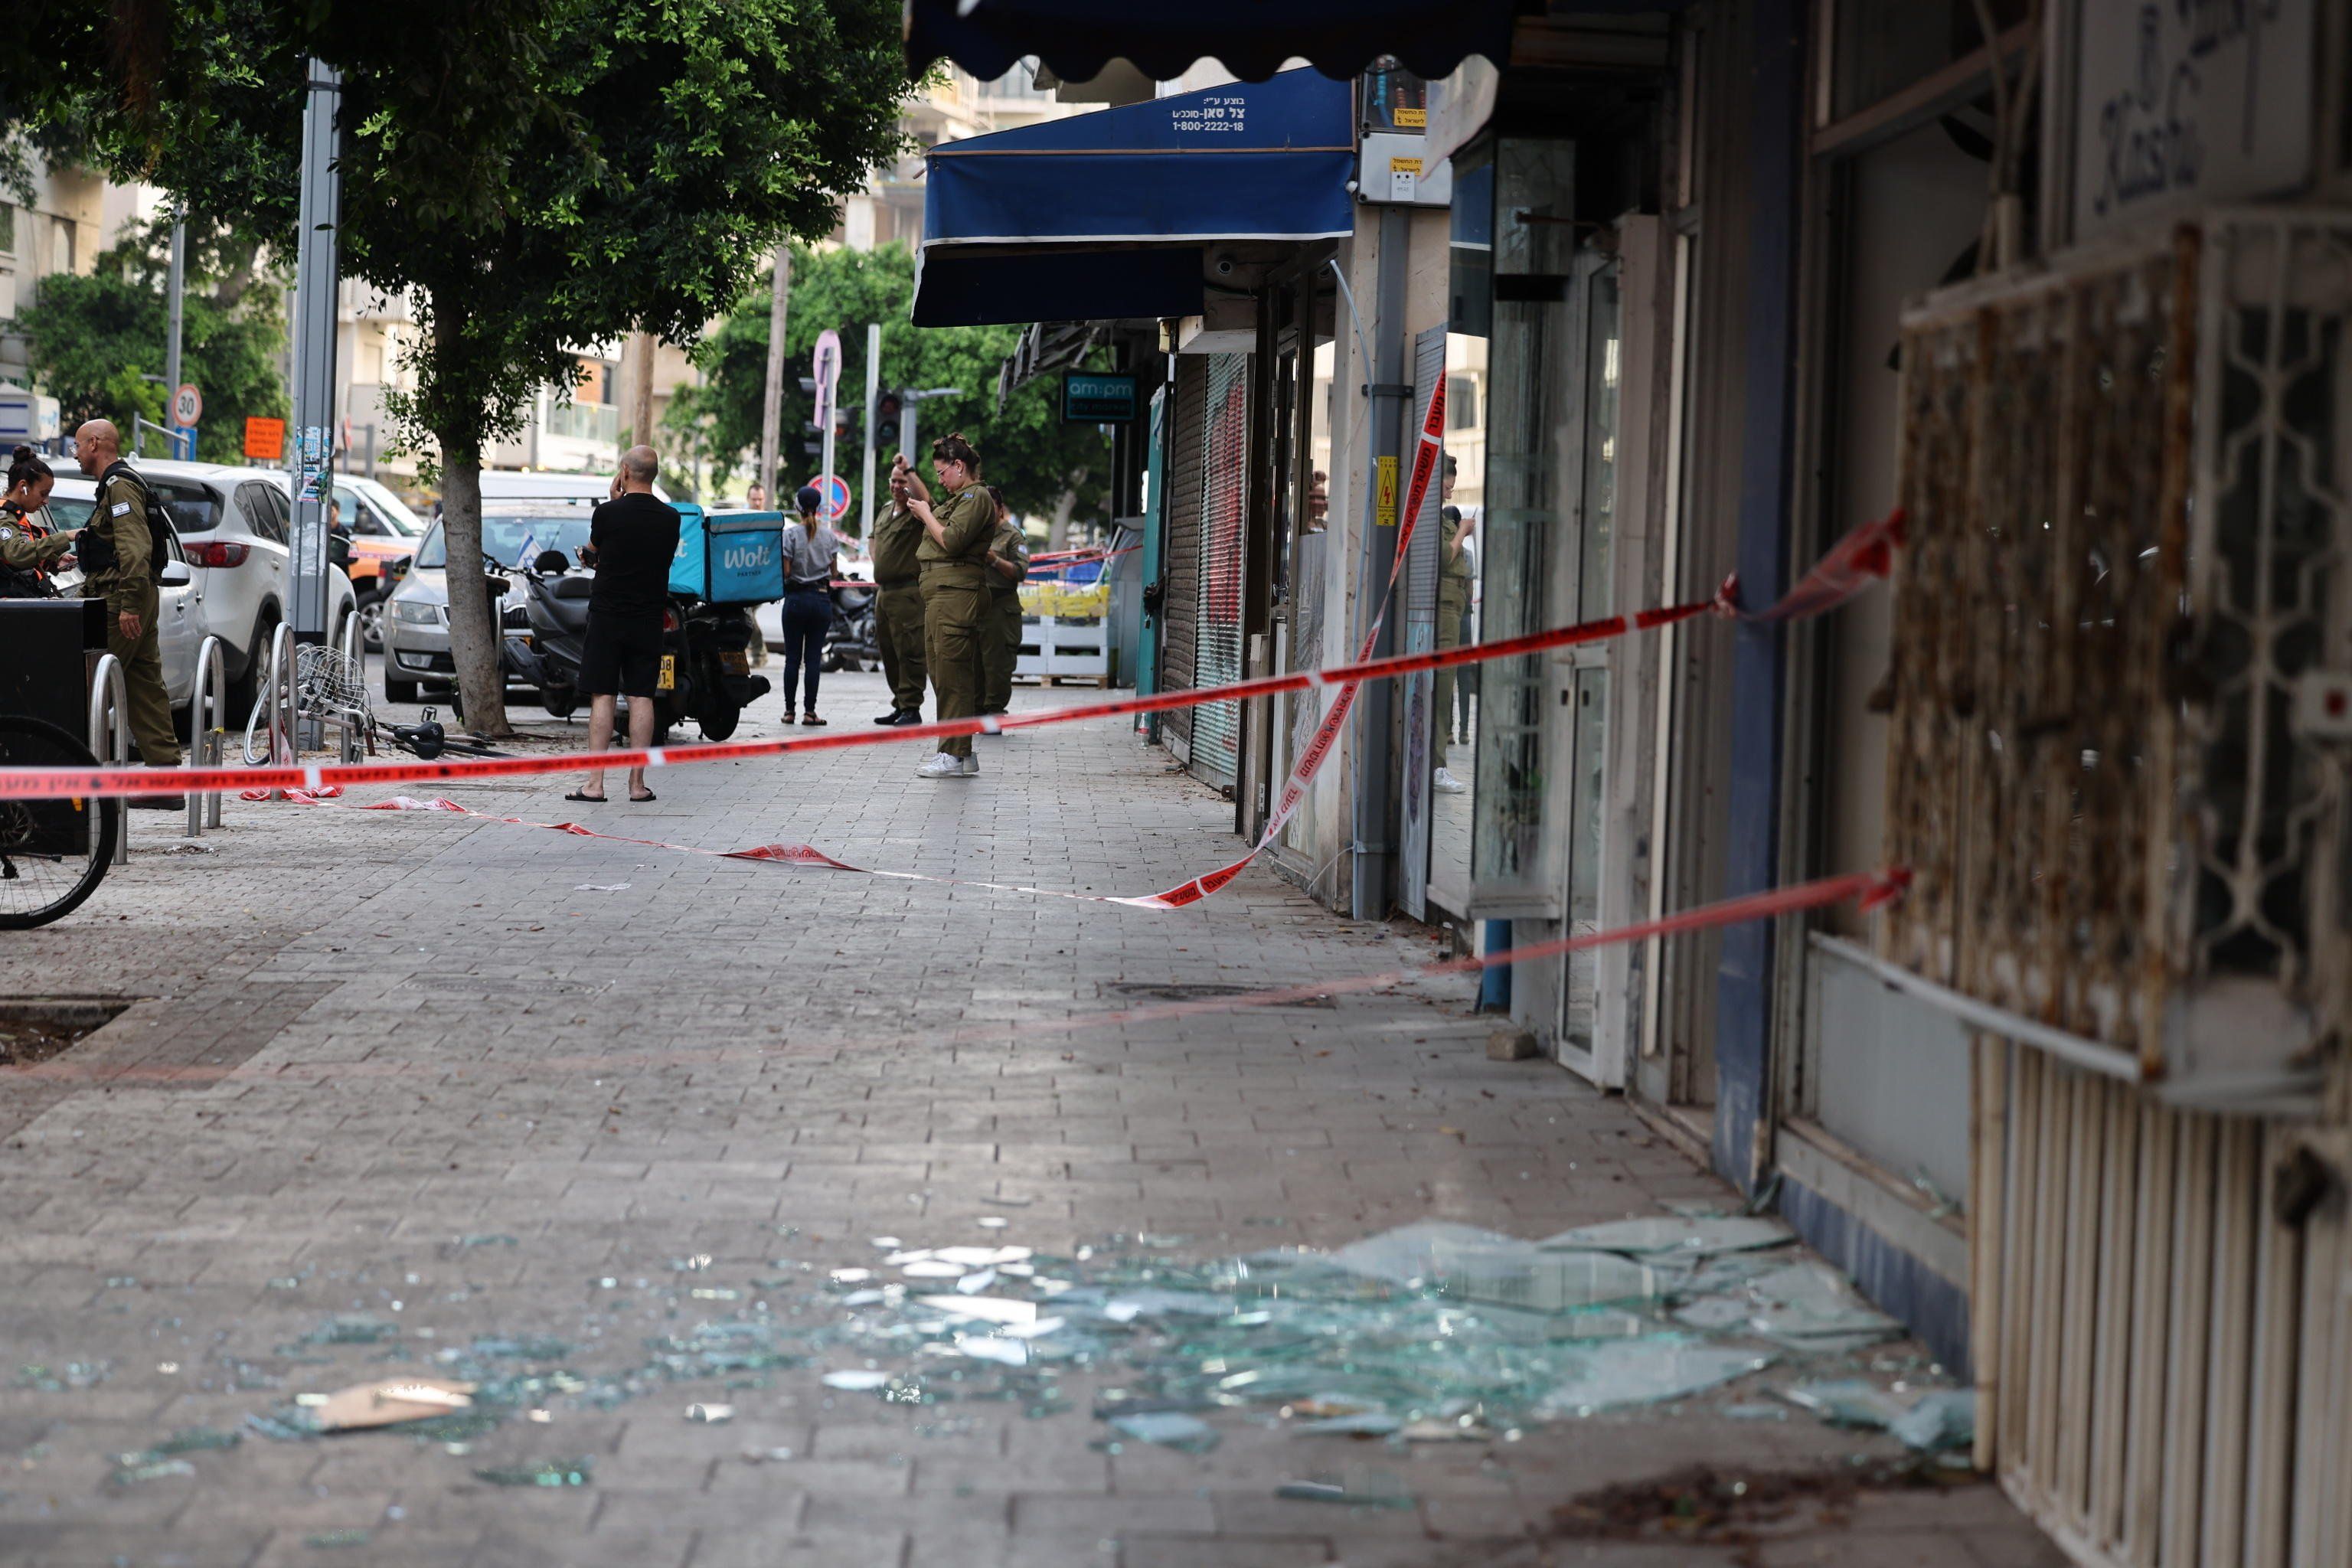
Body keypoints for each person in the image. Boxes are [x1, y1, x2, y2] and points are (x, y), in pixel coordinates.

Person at [71, 420, 183, 808]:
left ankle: (73, 789)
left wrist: (130, 604)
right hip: (132, 596)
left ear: (96, 443)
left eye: (78, 444)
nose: (75, 451)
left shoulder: (120, 486)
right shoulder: (122, 483)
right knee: (144, 686)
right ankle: (166, 784)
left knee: (88, 688)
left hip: (121, 601)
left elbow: (136, 550)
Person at [567, 445, 681, 804]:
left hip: (607, 615)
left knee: (603, 694)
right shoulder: (671, 518)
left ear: (624, 472)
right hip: (648, 617)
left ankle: (595, 784)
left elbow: (593, 553)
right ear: (655, 474)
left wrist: (613, 501)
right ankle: (637, 785)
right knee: (642, 696)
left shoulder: (607, 514)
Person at [905, 432, 995, 779]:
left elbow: (952, 540)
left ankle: (953, 754)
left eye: (943, 473)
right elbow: (937, 518)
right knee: (943, 674)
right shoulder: (962, 497)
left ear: (959, 466)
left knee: (953, 676)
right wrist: (923, 508)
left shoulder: (977, 497)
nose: (940, 480)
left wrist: (927, 514)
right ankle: (962, 752)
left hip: (955, 596)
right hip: (942, 595)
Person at [867, 457, 929, 725]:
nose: (896, 485)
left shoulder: (917, 511)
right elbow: (873, 539)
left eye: (901, 481)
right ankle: (900, 703)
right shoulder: (885, 510)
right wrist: (879, 561)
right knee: (888, 651)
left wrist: (909, 470)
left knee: (909, 651)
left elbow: (926, 497)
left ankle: (912, 707)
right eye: (893, 480)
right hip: (884, 592)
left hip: (907, 593)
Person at [1433, 456, 1478, 795]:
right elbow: (1442, 559)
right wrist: (1462, 532)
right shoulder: (1433, 519)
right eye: (1448, 482)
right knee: (1443, 688)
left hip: (1454, 610)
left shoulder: (1438, 516)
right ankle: (1436, 766)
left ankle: (1437, 764)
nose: (1451, 487)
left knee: (1446, 689)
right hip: (1443, 611)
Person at [778, 484, 841, 727]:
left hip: (795, 601)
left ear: (798, 507)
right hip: (821, 600)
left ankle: (789, 712)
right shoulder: (830, 536)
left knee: (792, 659)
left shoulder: (790, 535)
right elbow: (834, 572)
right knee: (813, 659)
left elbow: (786, 571)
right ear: (818, 508)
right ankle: (810, 712)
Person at [978, 483, 1030, 723]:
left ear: (999, 509)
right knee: (974, 662)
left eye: (990, 507)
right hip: (977, 605)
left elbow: (1020, 571)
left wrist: (994, 560)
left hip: (1001, 607)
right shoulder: (974, 532)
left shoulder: (1013, 536)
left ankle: (995, 712)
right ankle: (976, 711)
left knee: (997, 665)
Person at [1, 446, 75, 599]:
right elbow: (17, 554)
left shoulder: (17, 516)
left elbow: (16, 562)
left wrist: (55, 561)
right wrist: (65, 536)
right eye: (43, 494)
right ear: (23, 487)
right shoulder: (4, 516)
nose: (46, 501)